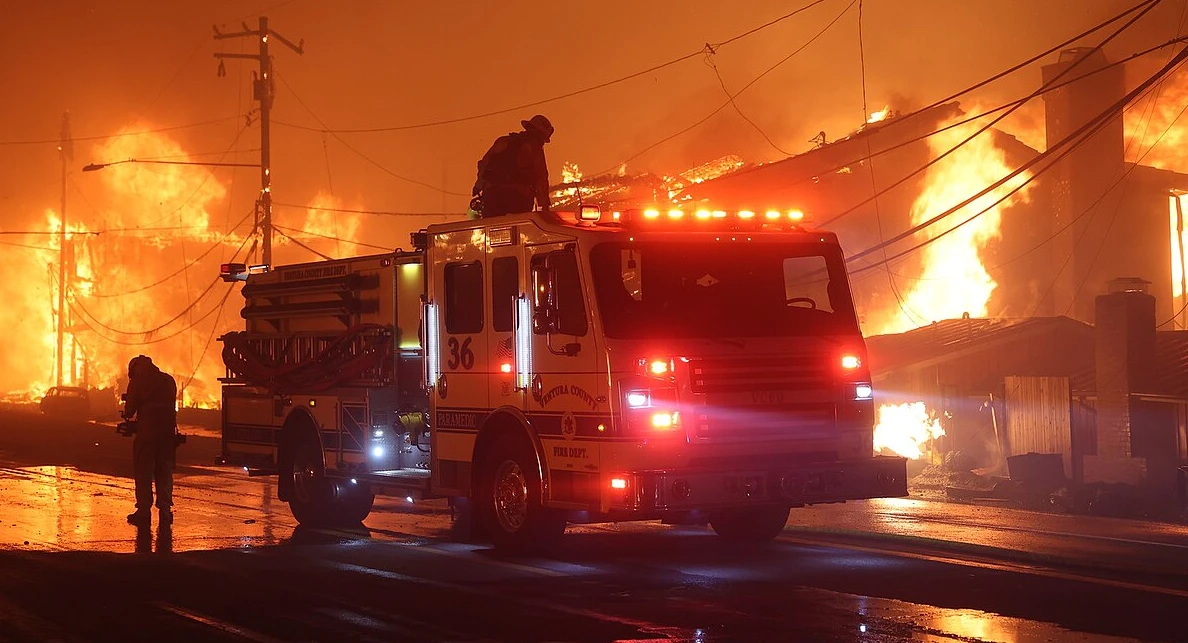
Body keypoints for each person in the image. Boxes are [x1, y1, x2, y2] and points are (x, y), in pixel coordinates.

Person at [123, 355, 179, 526]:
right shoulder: (168, 380)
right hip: (168, 434)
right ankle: (165, 511)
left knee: (143, 471)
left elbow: (129, 410)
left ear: (135, 369)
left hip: (147, 434)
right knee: (165, 470)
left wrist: (127, 414)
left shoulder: (138, 382)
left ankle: (143, 511)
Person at [472, 114, 553, 218]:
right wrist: (544, 205)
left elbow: (484, 164)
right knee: (519, 230)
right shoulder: (534, 148)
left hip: (492, 195)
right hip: (518, 197)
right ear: (540, 135)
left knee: (492, 228)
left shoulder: (503, 141)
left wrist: (478, 186)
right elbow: (540, 178)